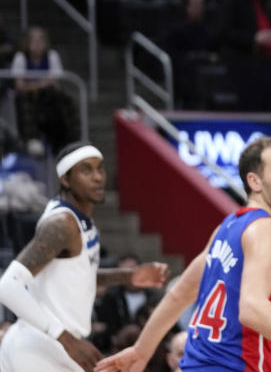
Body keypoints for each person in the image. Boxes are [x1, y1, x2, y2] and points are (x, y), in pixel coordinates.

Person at [94, 136, 271, 372]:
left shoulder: (227, 227)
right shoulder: (268, 228)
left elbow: (180, 293)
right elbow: (251, 309)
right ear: (255, 181)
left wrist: (141, 351)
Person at [0, 142, 168, 372]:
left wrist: (128, 276)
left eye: (100, 168)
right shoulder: (61, 224)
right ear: (66, 180)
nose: (98, 177)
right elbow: (7, 286)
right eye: (86, 170)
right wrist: (68, 341)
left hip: (52, 345)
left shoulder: (80, 220)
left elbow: (75, 275)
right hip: (39, 348)